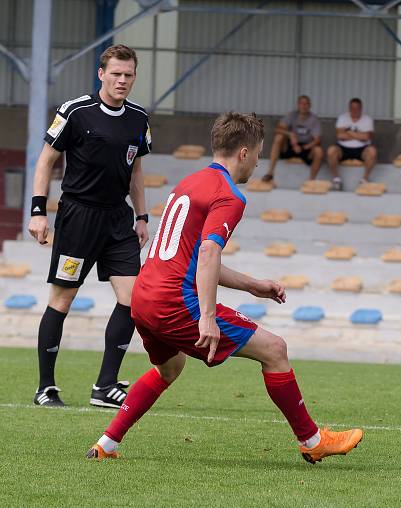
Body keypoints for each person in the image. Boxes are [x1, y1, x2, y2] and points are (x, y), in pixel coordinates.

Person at [86, 112, 363, 464]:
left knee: (169, 369)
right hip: (175, 301)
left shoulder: (188, 183)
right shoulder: (229, 195)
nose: (258, 163)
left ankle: (106, 444)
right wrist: (206, 317)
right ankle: (312, 440)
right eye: (259, 154)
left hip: (144, 296)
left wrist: (253, 286)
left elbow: (194, 258)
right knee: (275, 349)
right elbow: (208, 252)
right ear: (244, 153)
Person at [28, 44, 151, 409]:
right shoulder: (75, 111)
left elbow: (137, 172)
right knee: (63, 300)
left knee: (134, 300)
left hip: (118, 220)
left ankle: (104, 386)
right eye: (116, 73)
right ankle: (45, 387)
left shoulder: (139, 119)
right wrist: (38, 212)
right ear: (101, 73)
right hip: (78, 218)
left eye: (128, 75)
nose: (122, 80)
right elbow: (46, 161)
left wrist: (141, 217)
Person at [261, 95, 323, 185]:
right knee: (279, 137)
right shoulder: (292, 115)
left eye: (306, 104)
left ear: (309, 105)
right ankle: (270, 173)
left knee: (319, 151)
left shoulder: (314, 119)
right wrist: (290, 135)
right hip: (291, 146)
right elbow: (278, 129)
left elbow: (317, 140)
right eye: (301, 103)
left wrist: (306, 146)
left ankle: (311, 181)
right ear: (298, 105)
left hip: (306, 147)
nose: (303, 106)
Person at [326, 98, 376, 189]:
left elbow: (367, 137)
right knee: (331, 151)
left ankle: (364, 180)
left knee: (372, 151)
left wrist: (349, 132)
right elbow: (340, 135)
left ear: (361, 108)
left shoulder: (367, 119)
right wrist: (359, 135)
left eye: (357, 108)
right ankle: (336, 179)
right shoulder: (342, 118)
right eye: (352, 108)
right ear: (349, 108)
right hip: (343, 148)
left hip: (362, 149)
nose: (354, 110)